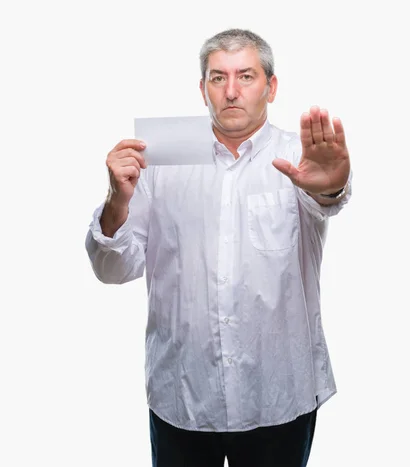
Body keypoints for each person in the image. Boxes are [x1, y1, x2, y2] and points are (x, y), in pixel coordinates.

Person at [85, 28, 352, 467]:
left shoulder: (298, 156)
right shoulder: (159, 162)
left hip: (278, 394)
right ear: (202, 88)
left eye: (246, 76)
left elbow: (327, 200)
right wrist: (117, 199)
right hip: (183, 392)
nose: (231, 91)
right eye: (217, 78)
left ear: (271, 86)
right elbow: (113, 269)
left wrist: (331, 186)